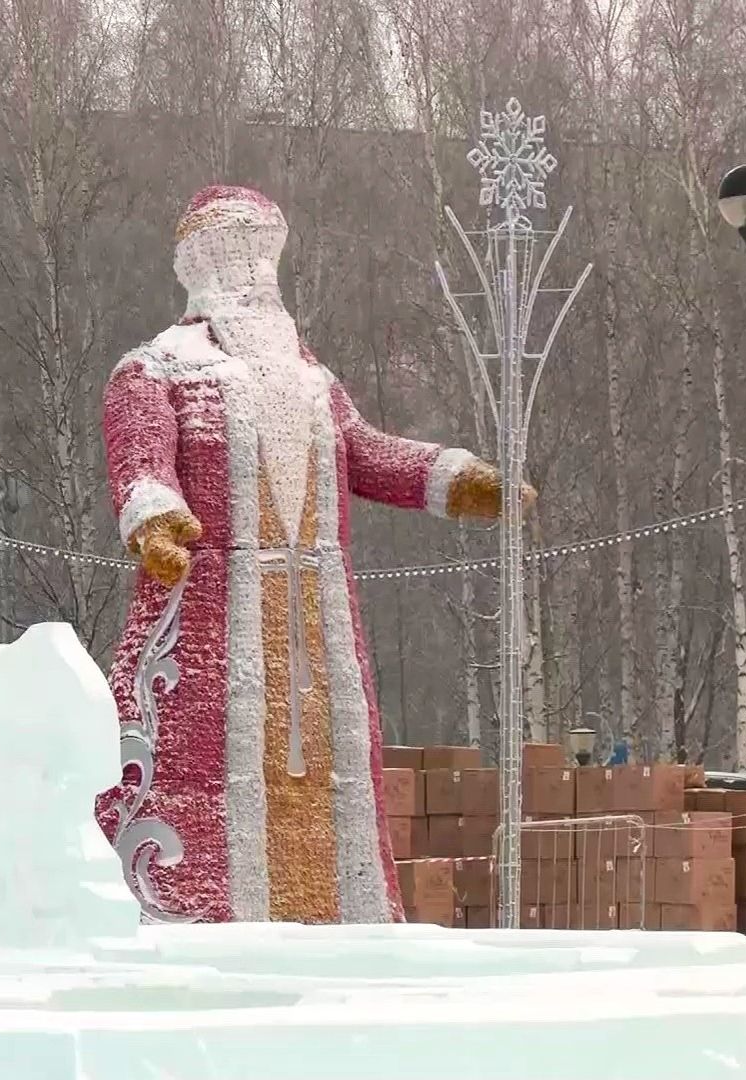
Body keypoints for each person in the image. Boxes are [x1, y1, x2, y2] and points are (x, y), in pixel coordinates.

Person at [98, 185, 530, 924]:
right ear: (198, 267)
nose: (251, 282)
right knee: (197, 764)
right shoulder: (156, 369)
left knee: (334, 768)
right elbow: (143, 459)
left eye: (259, 261)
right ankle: (189, 907)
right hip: (210, 612)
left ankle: (345, 911)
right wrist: (156, 525)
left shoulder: (313, 384)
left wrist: (458, 479)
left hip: (316, 620)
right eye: (233, 259)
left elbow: (367, 453)